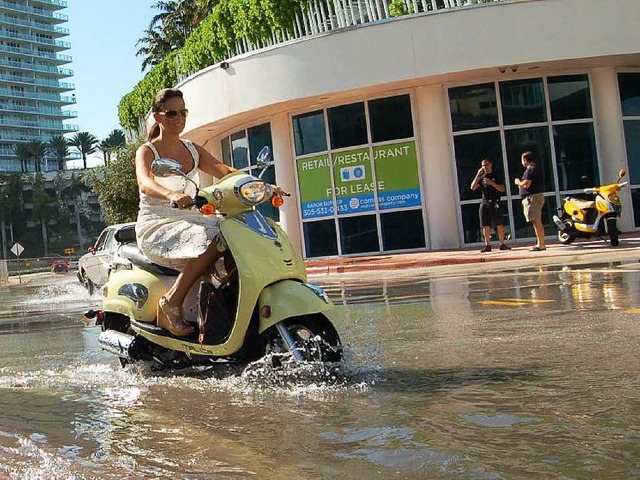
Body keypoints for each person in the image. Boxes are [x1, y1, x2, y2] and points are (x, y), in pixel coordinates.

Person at [135, 88, 236, 337]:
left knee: (236, 233)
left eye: (183, 112)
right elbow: (145, 182)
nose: (178, 118)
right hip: (158, 221)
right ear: (158, 117)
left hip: (191, 217)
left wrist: (257, 185)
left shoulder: (193, 149)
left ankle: (227, 309)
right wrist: (171, 195)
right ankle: (171, 301)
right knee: (215, 238)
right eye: (171, 113)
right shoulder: (147, 151)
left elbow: (224, 170)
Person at [471, 158, 511, 253]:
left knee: (499, 223)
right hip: (485, 202)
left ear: (491, 165)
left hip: (495, 201)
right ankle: (487, 245)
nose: (485, 167)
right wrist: (477, 175)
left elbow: (502, 189)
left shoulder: (496, 175)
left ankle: (502, 243)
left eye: (486, 165)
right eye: (483, 165)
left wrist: (491, 183)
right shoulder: (481, 177)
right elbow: (472, 187)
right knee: (485, 225)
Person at [514, 151, 546, 251]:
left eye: (522, 160)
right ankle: (540, 243)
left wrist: (518, 182)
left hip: (532, 198)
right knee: (536, 221)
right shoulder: (534, 169)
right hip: (534, 197)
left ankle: (541, 244)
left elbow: (526, 184)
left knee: (536, 221)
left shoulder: (531, 169)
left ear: (525, 160)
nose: (522, 162)